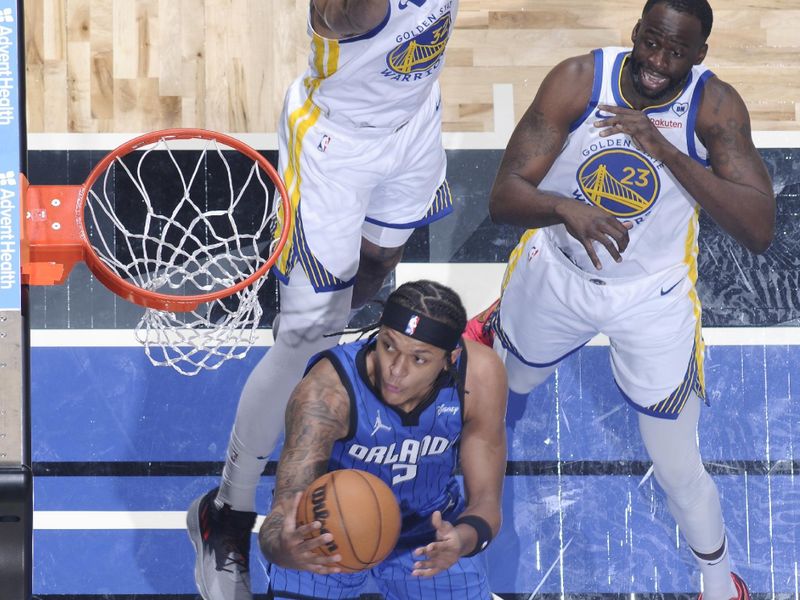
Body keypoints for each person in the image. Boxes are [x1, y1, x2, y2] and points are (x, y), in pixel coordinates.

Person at [465, 1, 774, 599]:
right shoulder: (579, 81)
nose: (658, 62)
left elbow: (758, 228)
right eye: (651, 43)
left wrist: (667, 153)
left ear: (700, 55)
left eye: (676, 52)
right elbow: (504, 197)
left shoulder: (714, 108)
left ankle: (718, 579)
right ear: (635, 32)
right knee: (503, 396)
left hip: (649, 296)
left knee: (677, 462)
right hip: (558, 271)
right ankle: (476, 511)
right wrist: (563, 208)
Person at [186, 3, 461, 598]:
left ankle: (331, 362)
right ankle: (225, 513)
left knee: (381, 263)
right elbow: (339, 15)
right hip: (336, 144)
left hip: (415, 122)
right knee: (305, 340)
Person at [257, 279, 507, 599]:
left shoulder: (481, 377)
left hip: (428, 535)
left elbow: (486, 504)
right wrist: (285, 547)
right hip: (330, 533)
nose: (396, 371)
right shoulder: (325, 393)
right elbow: (281, 513)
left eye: (418, 358)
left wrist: (462, 540)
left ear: (451, 359)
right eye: (388, 345)